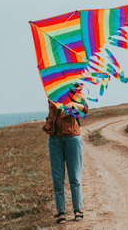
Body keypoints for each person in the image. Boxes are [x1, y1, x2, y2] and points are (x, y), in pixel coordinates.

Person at [43, 96, 88, 224]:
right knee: (57, 178)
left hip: (72, 137)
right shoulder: (51, 92)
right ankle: (61, 212)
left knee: (75, 178)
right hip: (54, 139)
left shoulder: (75, 92)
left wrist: (73, 104)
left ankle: (78, 210)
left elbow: (85, 110)